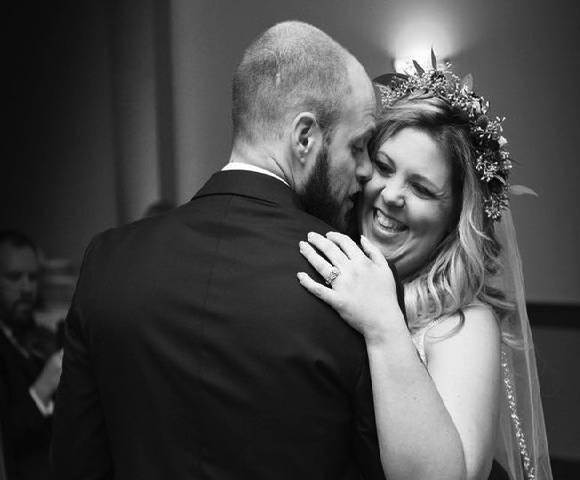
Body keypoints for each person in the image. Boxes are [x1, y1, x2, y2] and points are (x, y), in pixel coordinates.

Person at [51, 21, 386, 479]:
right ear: (304, 137)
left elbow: (76, 464)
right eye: (360, 145)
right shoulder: (352, 280)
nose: (367, 171)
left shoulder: (109, 260)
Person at [298, 65, 552, 479]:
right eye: (382, 167)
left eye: (421, 189)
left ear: (454, 218)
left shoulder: (463, 325)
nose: (391, 195)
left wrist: (385, 325)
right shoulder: (327, 271)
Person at [0, 230, 62, 480]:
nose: (26, 288)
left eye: (33, 277)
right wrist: (42, 389)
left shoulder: (41, 335)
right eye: (14, 277)